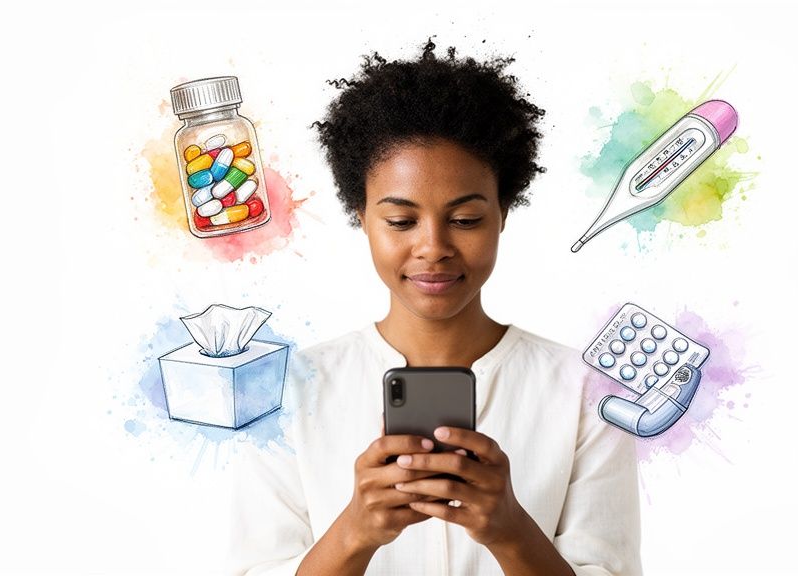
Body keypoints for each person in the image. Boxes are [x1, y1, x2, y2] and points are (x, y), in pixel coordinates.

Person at [229, 40, 642, 576]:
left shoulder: (587, 395)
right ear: (362, 218)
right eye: (401, 221)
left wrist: (511, 530)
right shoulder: (285, 396)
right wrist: (355, 532)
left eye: (466, 219)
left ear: (503, 213)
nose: (433, 247)